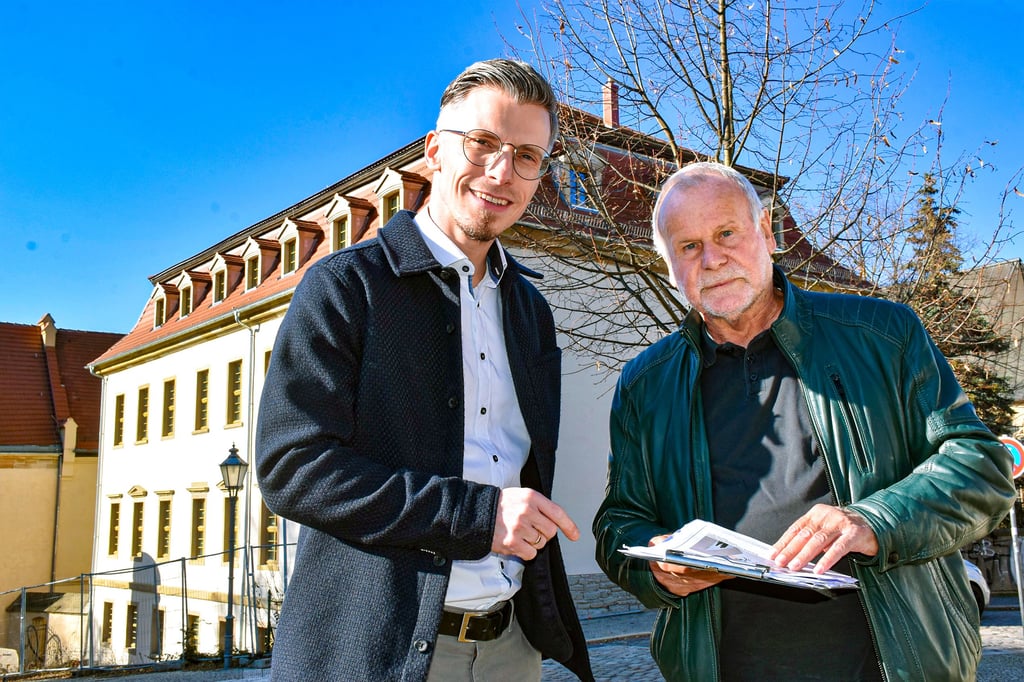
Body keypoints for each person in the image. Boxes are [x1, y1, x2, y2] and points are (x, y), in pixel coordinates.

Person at [593, 161, 1016, 681]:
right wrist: (656, 565)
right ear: (670, 266)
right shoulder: (645, 383)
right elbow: (619, 522)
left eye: (726, 232)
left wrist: (874, 520)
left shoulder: (882, 335)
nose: (712, 259)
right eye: (688, 247)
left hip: (893, 666)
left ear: (767, 231)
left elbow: (981, 465)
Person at [255, 59, 593, 682]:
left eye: (526, 155)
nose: (501, 172)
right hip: (377, 653)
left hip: (510, 646)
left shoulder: (531, 309)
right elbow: (291, 467)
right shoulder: (345, 286)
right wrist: (477, 517)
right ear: (435, 152)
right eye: (483, 143)